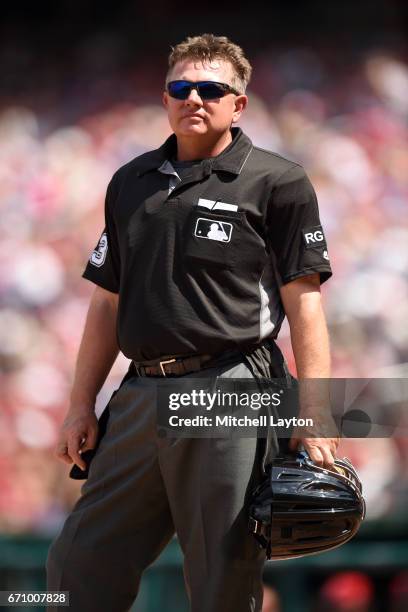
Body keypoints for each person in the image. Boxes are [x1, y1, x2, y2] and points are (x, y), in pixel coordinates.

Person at [46, 33, 338, 612]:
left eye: (211, 89)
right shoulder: (131, 181)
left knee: (221, 581)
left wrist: (316, 409)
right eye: (181, 88)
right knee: (74, 564)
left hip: (230, 385)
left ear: (239, 104)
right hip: (140, 391)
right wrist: (81, 402)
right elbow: (107, 302)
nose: (194, 98)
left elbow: (305, 305)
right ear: (165, 97)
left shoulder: (278, 181)